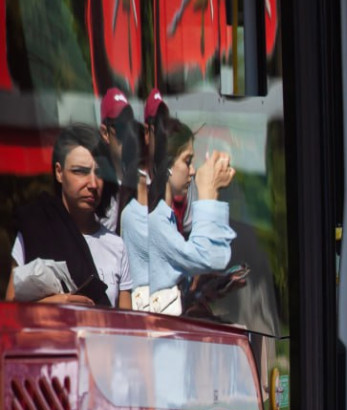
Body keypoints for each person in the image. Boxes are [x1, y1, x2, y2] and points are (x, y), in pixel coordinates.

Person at [7, 124, 132, 308]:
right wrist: (60, 302)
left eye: (99, 173)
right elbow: (11, 307)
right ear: (59, 172)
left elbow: (127, 324)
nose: (92, 183)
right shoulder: (35, 229)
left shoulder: (116, 246)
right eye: (80, 171)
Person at [122, 116, 236, 310]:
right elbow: (209, 257)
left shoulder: (162, 218)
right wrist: (208, 191)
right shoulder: (146, 220)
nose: (192, 171)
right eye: (187, 161)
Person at [98, 87, 144, 233]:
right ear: (105, 133)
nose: (127, 135)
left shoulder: (140, 176)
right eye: (120, 128)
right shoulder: (97, 187)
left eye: (130, 127)